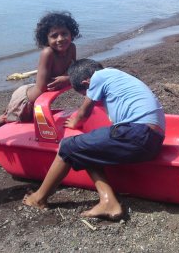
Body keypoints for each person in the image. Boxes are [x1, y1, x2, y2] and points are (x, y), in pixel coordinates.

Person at [23, 59, 165, 220]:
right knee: (86, 149)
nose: (90, 97)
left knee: (67, 146)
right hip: (153, 140)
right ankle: (108, 201)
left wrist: (75, 122)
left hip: (136, 133)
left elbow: (84, 111)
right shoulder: (113, 75)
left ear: (87, 83)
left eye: (85, 94)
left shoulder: (98, 78)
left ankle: (39, 198)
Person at [0, 11, 80, 136]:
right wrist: (65, 79)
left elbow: (73, 68)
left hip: (38, 90)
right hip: (28, 97)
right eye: (54, 36)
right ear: (46, 39)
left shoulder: (72, 48)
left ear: (71, 33)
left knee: (15, 116)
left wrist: (67, 78)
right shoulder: (47, 53)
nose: (60, 39)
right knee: (12, 116)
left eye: (64, 33)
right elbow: (42, 86)